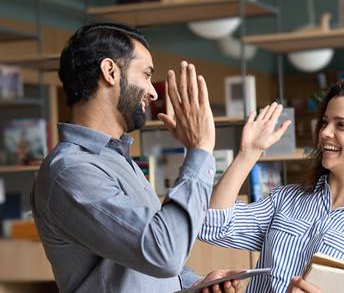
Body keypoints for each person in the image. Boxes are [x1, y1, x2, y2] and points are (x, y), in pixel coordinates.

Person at [30, 22, 248, 293]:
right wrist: (200, 149)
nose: (153, 91)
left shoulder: (120, 162)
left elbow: (141, 261)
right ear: (110, 72)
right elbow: (163, 253)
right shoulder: (71, 172)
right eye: (146, 74)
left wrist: (196, 284)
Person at [199, 82, 344, 292]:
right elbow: (211, 225)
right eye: (325, 122)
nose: (324, 132)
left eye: (341, 125)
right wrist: (248, 154)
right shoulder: (285, 200)